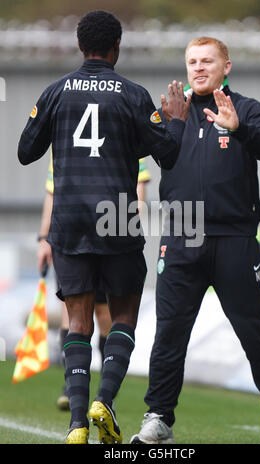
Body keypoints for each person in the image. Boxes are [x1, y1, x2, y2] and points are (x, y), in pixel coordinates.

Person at [18, 10, 191, 445]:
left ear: (80, 47)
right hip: (117, 218)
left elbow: (25, 151)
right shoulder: (133, 95)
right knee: (123, 315)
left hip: (69, 221)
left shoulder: (56, 92)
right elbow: (167, 155)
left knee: (77, 321)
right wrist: (175, 120)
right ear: (117, 47)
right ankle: (105, 402)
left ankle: (76, 424)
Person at [131, 36, 260, 445]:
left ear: (226, 66)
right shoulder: (171, 110)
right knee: (169, 333)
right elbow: (140, 155)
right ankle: (158, 418)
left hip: (234, 238)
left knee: (252, 330)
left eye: (208, 61)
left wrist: (238, 129)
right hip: (181, 238)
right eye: (192, 61)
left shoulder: (246, 108)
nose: (199, 68)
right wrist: (168, 124)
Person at [37, 155, 151, 410]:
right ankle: (79, 388)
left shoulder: (74, 137)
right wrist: (43, 237)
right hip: (76, 237)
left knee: (101, 316)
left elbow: (139, 189)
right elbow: (51, 192)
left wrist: (125, 225)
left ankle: (102, 389)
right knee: (74, 315)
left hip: (101, 238)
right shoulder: (69, 144)